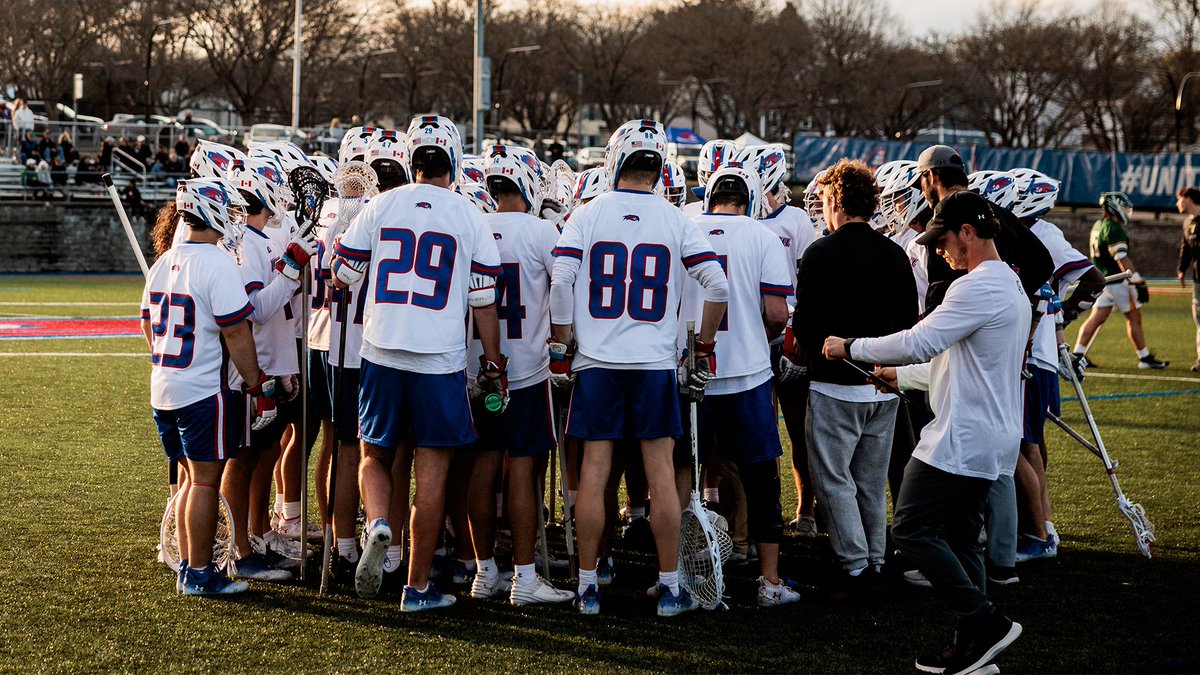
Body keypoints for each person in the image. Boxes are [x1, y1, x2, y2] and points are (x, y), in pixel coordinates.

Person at [824, 190, 1028, 675]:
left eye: (944, 240)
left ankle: (987, 622)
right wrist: (906, 376)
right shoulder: (1009, 284)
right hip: (992, 435)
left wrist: (849, 345)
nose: (939, 250)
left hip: (962, 436)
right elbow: (961, 358)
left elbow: (922, 341)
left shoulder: (977, 286)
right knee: (959, 540)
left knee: (911, 528)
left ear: (969, 234)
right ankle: (973, 650)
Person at [549, 118, 729, 616]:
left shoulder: (588, 213)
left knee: (595, 471)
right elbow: (717, 287)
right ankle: (669, 585)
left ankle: (588, 584)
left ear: (615, 160)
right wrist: (704, 345)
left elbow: (561, 282)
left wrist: (562, 343)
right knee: (660, 477)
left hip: (598, 362)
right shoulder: (676, 219)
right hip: (652, 364)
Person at [331, 114, 506, 612]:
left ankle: (380, 522)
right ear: (453, 157)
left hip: (382, 347)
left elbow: (341, 274)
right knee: (432, 475)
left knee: (375, 456)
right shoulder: (469, 215)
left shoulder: (381, 204)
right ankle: (416, 586)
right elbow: (484, 301)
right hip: (440, 356)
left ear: (412, 157)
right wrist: (494, 362)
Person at [781, 159, 918, 597]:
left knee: (835, 480)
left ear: (836, 200)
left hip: (835, 384)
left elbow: (806, 326)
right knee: (870, 482)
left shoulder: (823, 253)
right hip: (884, 385)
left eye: (825, 200)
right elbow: (907, 323)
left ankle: (857, 565)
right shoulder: (894, 252)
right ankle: (874, 558)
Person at [461, 144, 576, 606]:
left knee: (482, 468)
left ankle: (484, 571)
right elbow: (564, 289)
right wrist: (563, 345)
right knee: (523, 472)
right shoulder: (544, 231)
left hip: (477, 366)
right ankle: (524, 577)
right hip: (527, 368)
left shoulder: (472, 225)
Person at [142, 177, 265, 596]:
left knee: (190, 479)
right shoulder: (215, 264)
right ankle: (198, 572)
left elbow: (146, 322)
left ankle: (187, 564)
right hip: (201, 392)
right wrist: (255, 381)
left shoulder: (164, 261)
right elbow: (236, 332)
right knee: (205, 482)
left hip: (164, 386)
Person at [683, 163, 798, 606]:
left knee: (679, 478)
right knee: (761, 482)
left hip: (692, 371)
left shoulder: (685, 225)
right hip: (747, 375)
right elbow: (776, 313)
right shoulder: (763, 236)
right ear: (750, 198)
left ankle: (674, 578)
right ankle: (769, 582)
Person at [1072, 192, 1168, 369]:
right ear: (1113, 208)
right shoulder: (1114, 228)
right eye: (1123, 207)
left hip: (1102, 279)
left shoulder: (1099, 224)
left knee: (1097, 317)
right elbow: (1121, 258)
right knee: (1134, 317)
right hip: (1117, 280)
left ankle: (1078, 354)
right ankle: (1145, 357)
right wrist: (1138, 281)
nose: (1126, 211)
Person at [1177, 186, 1200, 372]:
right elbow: (1185, 249)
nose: (1177, 203)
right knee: (1199, 318)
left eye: (1180, 199)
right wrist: (1181, 270)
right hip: (1198, 279)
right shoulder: (1187, 223)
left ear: (1188, 199)